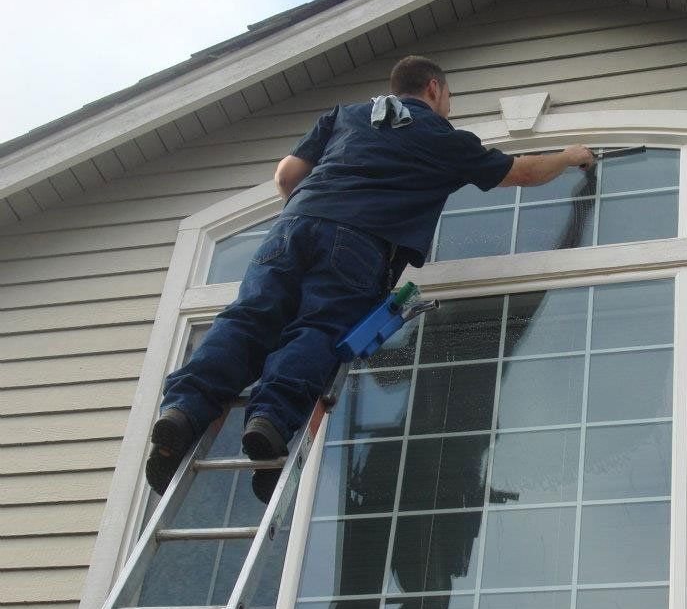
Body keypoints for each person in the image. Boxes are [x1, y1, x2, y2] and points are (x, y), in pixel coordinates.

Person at [145, 55, 596, 503]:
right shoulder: (443, 138)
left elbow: (287, 175)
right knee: (318, 328)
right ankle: (269, 420)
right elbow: (522, 172)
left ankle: (183, 410)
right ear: (434, 89)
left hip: (292, 226)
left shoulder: (346, 116)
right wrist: (570, 155)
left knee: (248, 318)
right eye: (450, 99)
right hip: (358, 243)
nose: (449, 109)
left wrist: (313, 212)